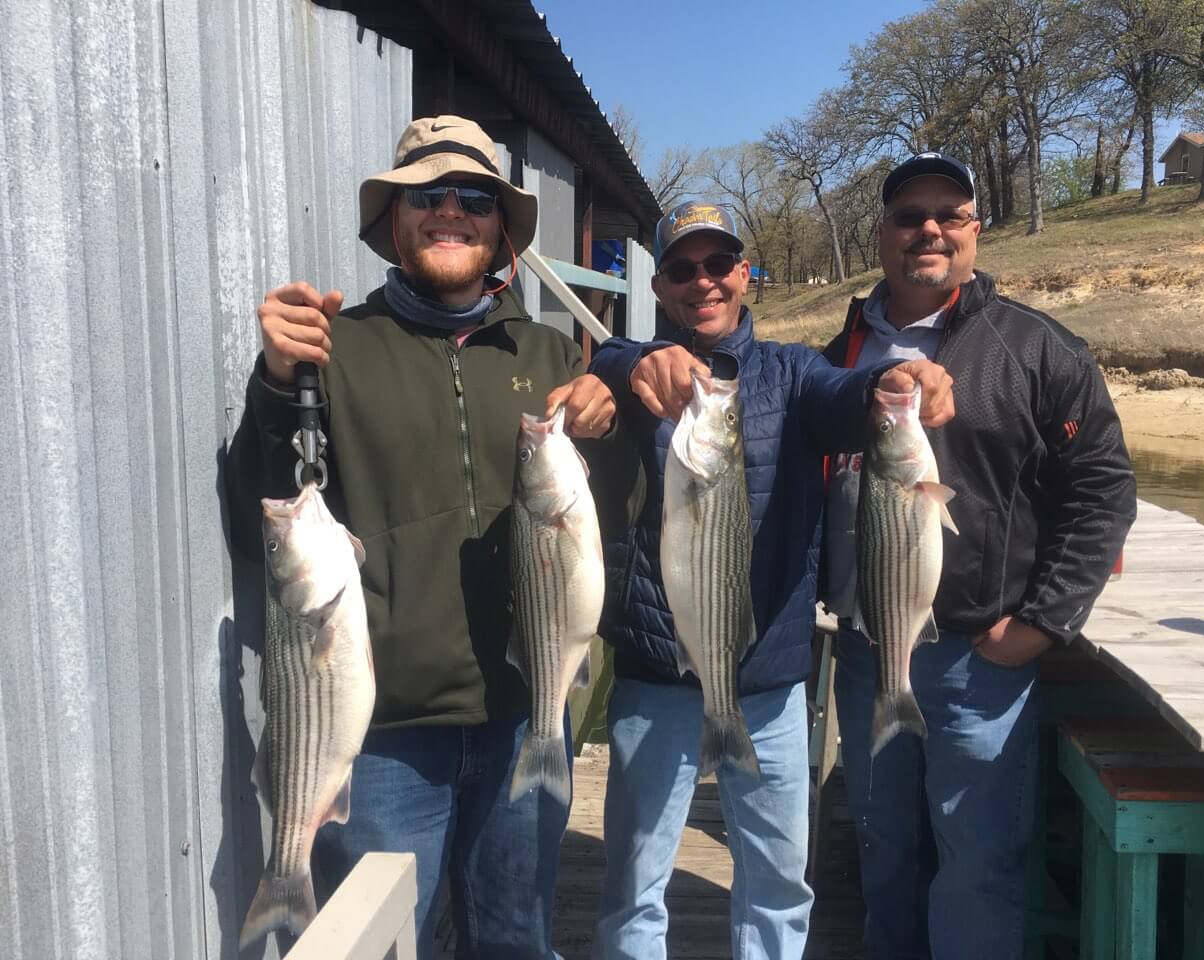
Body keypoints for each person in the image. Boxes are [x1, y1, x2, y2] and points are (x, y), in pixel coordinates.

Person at [224, 115, 620, 959]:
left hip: (524, 713)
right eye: (424, 195)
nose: (450, 210)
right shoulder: (336, 351)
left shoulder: (550, 352)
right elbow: (250, 516)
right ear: (394, 223)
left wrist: (610, 431)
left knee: (517, 940)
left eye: (473, 195)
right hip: (379, 738)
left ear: (500, 224)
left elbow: (606, 528)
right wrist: (272, 385)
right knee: (384, 945)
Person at [585, 201, 956, 959]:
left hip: (773, 684)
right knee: (632, 888)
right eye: (684, 269)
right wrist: (629, 366)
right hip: (653, 681)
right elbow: (602, 362)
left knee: (780, 885)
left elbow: (844, 396)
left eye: (719, 265)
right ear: (660, 286)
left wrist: (893, 382)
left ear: (744, 274)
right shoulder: (636, 377)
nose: (704, 283)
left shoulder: (791, 372)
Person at [821, 153, 1136, 959]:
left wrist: (1044, 620)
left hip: (980, 662)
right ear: (881, 234)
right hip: (864, 652)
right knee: (881, 855)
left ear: (974, 230)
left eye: (948, 214)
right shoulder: (838, 352)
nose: (927, 229)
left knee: (978, 865)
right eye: (907, 216)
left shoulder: (1037, 347)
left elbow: (1103, 488)